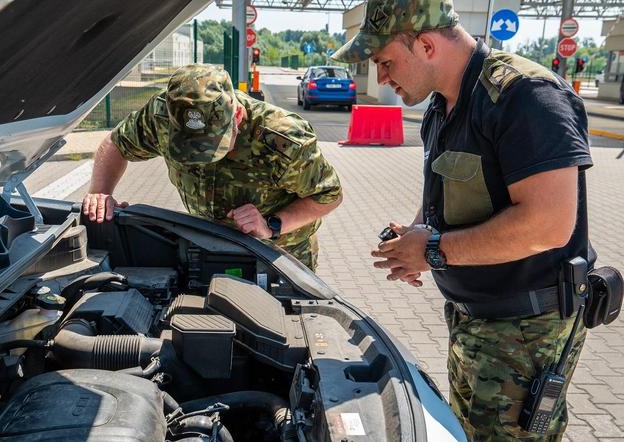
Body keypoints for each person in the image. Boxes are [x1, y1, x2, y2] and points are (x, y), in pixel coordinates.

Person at [332, 0, 593, 440]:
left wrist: (433, 250)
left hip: (525, 334)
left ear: (427, 45)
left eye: (385, 62)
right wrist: (416, 237)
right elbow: (445, 191)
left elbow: (549, 225)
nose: (382, 78)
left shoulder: (524, 97)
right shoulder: (443, 105)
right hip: (474, 322)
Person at [82, 64, 342, 271]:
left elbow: (329, 195)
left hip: (278, 256)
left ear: (237, 117)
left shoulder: (281, 138)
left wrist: (272, 225)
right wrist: (100, 193)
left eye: (212, 145)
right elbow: (116, 143)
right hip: (208, 243)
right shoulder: (162, 115)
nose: (201, 158)